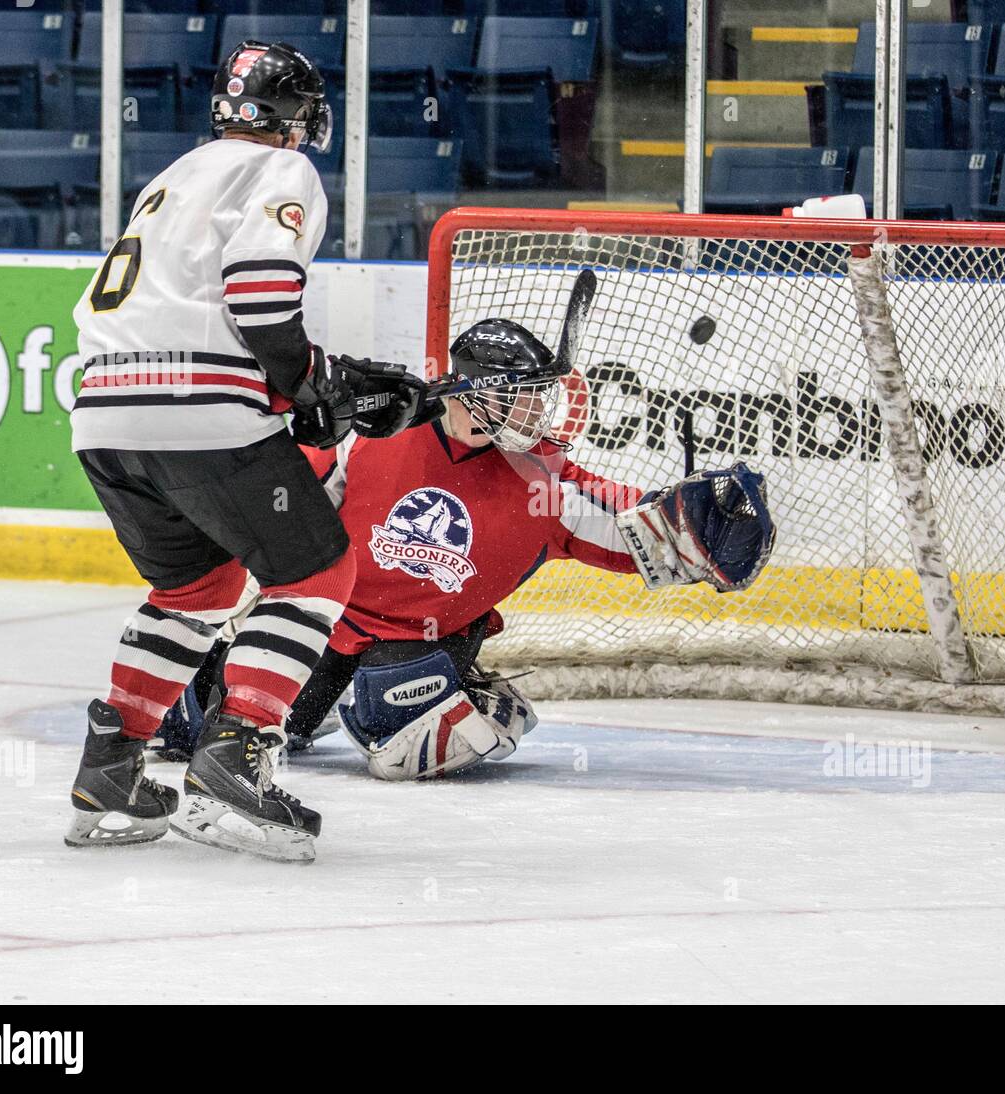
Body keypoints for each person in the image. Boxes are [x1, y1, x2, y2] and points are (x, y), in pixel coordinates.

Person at [64, 40, 436, 862]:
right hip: (195, 411)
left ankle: (114, 763)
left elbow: (180, 310)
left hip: (102, 412)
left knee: (199, 587)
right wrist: (310, 384)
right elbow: (260, 296)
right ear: (298, 118)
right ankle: (237, 753)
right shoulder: (280, 173)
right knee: (319, 572)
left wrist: (301, 389)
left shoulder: (174, 176)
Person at [153, 316, 776, 782]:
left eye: (539, 395)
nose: (537, 411)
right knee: (203, 720)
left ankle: (453, 695)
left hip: (421, 640)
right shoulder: (372, 440)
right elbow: (284, 498)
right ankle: (293, 704)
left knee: (399, 742)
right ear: (473, 399)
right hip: (328, 620)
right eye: (521, 395)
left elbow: (631, 528)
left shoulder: (543, 483)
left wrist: (695, 526)